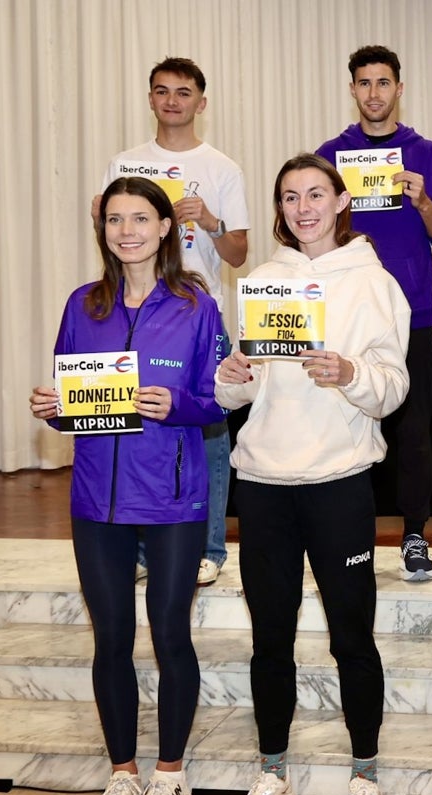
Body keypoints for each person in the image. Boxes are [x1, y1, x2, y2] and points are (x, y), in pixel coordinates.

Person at [214, 153, 409, 795]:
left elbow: (393, 387)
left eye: (315, 194)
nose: (303, 206)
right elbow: (235, 393)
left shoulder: (375, 283)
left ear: (340, 199)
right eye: (291, 196)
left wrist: (351, 371)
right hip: (265, 485)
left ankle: (365, 776)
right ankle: (273, 773)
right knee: (271, 639)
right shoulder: (262, 282)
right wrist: (233, 375)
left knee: (352, 637)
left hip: (340, 486)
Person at [30, 177, 224, 795]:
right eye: (115, 219)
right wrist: (53, 411)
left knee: (170, 634)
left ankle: (171, 778)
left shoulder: (196, 305)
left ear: (166, 227)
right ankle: (123, 774)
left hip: (172, 497)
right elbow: (73, 407)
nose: (127, 230)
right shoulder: (82, 305)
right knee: (110, 639)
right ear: (103, 228)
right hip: (95, 501)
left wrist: (182, 406)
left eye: (141, 218)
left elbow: (215, 401)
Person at [96, 56, 250, 587]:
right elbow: (111, 233)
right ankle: (141, 544)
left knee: (207, 426)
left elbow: (237, 255)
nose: (172, 101)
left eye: (183, 92)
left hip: (196, 311)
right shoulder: (124, 162)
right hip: (133, 310)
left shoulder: (222, 167)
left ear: (200, 103)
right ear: (150, 98)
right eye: (162, 91)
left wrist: (209, 221)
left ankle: (209, 546)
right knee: (135, 419)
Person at [317, 45, 432, 583]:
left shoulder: (426, 153)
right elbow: (314, 232)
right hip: (349, 316)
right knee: (346, 422)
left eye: (383, 83)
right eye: (364, 83)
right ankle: (349, 533)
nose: (373, 93)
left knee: (414, 431)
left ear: (399, 89)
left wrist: (423, 202)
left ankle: (415, 534)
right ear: (351, 90)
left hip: (412, 315)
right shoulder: (329, 155)